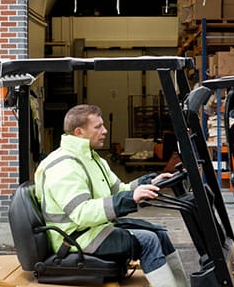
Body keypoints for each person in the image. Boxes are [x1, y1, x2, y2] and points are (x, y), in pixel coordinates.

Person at [34, 104, 188, 287]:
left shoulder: (92, 158)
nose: (105, 131)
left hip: (94, 229)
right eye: (98, 127)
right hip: (74, 238)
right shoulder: (64, 166)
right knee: (148, 241)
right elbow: (82, 213)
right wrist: (131, 198)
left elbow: (119, 189)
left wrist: (149, 183)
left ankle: (180, 285)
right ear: (79, 132)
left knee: (158, 232)